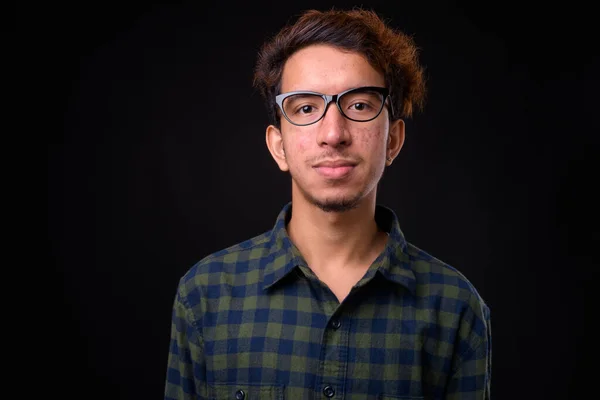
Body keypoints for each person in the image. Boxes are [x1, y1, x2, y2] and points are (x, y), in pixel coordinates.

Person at [165, 8, 491, 400]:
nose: (333, 134)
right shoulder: (205, 295)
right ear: (278, 146)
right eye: (306, 108)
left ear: (393, 140)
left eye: (359, 106)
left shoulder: (455, 309)